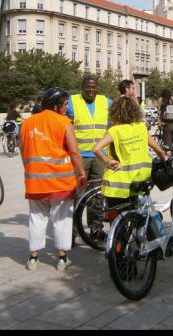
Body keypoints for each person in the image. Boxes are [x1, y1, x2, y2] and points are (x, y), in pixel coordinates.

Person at [20, 87, 86, 271]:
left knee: (36, 218)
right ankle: (62, 258)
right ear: (56, 106)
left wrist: (30, 170)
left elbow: (22, 150)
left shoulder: (27, 123)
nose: (66, 108)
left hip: (35, 181)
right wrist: (81, 172)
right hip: (61, 181)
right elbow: (74, 151)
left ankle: (33, 257)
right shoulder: (63, 122)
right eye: (64, 105)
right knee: (62, 219)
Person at [92, 96, 167, 211]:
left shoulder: (115, 130)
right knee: (138, 216)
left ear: (114, 112)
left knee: (118, 220)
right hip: (139, 180)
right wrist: (164, 159)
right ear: (135, 111)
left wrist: (107, 161)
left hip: (117, 186)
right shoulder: (141, 128)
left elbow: (96, 149)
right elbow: (159, 151)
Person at [67, 74, 112, 242]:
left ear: (98, 87)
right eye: (88, 86)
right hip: (80, 156)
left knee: (97, 195)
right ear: (82, 86)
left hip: (100, 156)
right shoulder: (72, 102)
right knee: (76, 195)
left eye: (94, 87)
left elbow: (114, 123)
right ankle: (71, 233)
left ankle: (95, 229)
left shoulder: (106, 101)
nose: (91, 90)